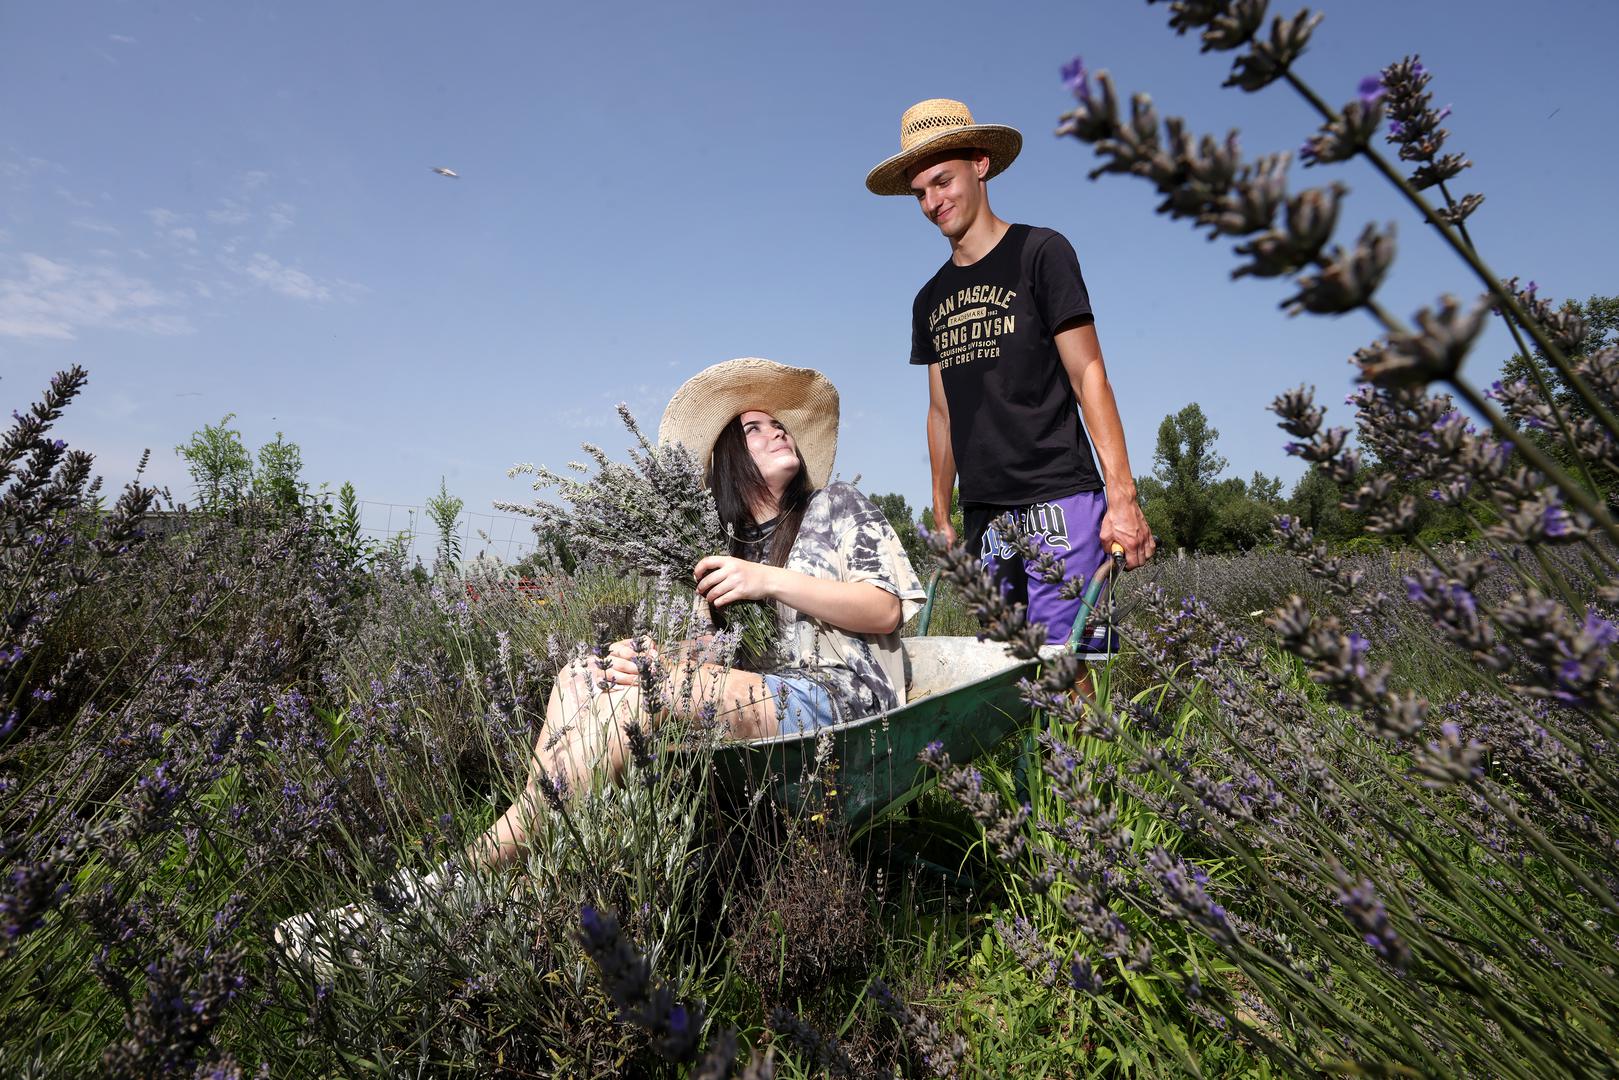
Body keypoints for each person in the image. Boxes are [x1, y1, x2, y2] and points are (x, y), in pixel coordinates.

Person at [275, 359, 925, 960]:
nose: (776, 432)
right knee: (583, 673)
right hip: (762, 698)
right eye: (754, 428)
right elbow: (709, 659)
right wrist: (650, 655)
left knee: (647, 695)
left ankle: (445, 888)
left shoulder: (836, 507)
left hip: (848, 701)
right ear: (731, 460)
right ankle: (533, 865)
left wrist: (768, 583)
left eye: (779, 425)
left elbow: (886, 610)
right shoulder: (724, 547)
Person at [865, 98, 1155, 646]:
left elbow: (1088, 373)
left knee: (1072, 673)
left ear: (981, 164)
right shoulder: (929, 298)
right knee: (1006, 684)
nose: (932, 202)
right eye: (920, 192)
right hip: (985, 521)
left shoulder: (1041, 253)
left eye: (942, 182)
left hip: (1059, 500)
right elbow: (941, 410)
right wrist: (941, 512)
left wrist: (1123, 497)